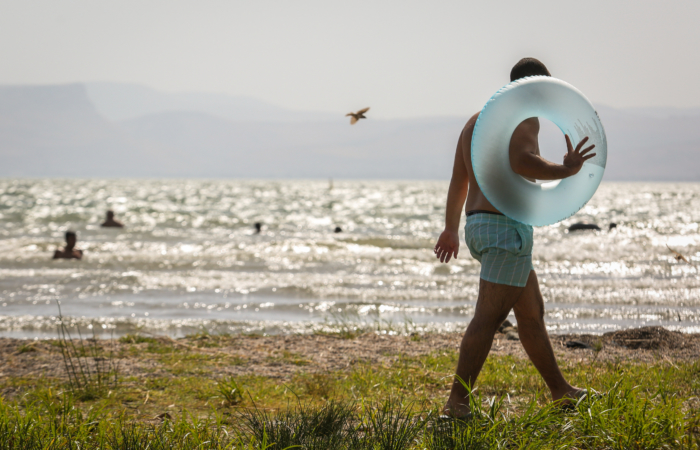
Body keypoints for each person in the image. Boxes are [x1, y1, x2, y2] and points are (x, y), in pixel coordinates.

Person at [433, 58, 597, 418]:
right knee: (488, 318)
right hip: (505, 229)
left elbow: (459, 182)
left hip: (480, 226)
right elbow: (523, 161)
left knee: (531, 313)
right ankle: (457, 402)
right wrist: (566, 170)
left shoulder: (476, 121)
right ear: (536, 87)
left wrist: (450, 228)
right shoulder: (524, 116)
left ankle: (561, 391)